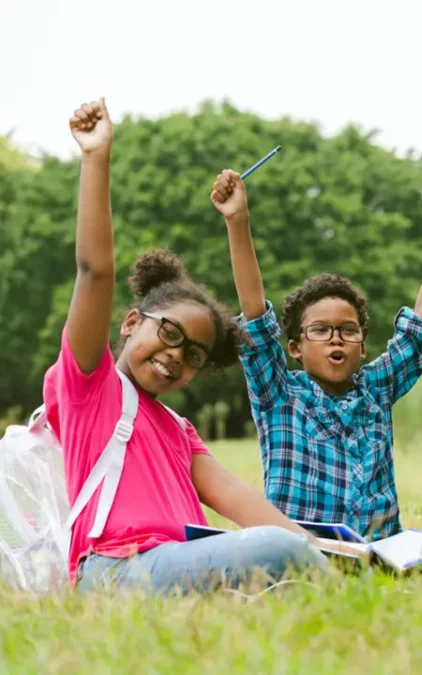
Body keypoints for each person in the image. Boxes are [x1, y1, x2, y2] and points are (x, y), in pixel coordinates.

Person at [49, 99, 327, 595]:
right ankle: (346, 590)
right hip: (116, 570)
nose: (177, 354)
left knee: (288, 549)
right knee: (281, 553)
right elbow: (95, 272)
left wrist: (320, 546)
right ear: (132, 322)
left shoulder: (178, 429)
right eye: (170, 334)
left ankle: (342, 574)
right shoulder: (91, 386)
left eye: (194, 354)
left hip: (176, 564)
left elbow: (236, 497)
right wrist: (96, 158)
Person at [213, 169, 422, 556]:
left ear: (363, 347)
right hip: (307, 551)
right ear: (295, 347)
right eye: (321, 330)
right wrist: (237, 221)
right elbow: (254, 315)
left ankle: (409, 570)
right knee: (271, 551)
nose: (336, 337)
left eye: (348, 331)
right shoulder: (279, 393)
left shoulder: (376, 388)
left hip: (382, 551)